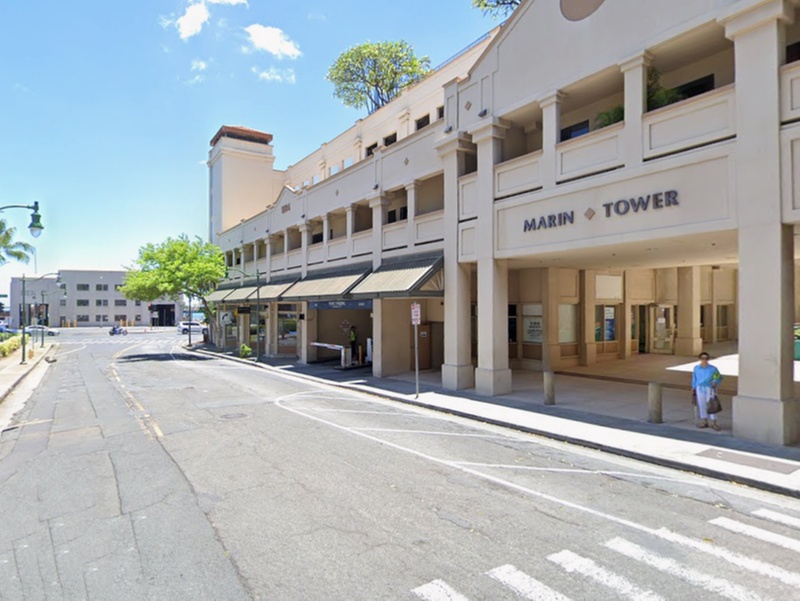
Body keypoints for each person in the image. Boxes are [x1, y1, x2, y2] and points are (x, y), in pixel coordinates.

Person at [692, 352, 723, 431]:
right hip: (700, 388)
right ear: (700, 359)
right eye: (702, 358)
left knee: (712, 404)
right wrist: (694, 387)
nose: (704, 360)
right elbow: (694, 378)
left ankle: (714, 423)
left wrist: (715, 381)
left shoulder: (713, 368)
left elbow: (718, 377)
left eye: (706, 358)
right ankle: (704, 421)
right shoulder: (696, 368)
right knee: (702, 404)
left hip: (710, 388)